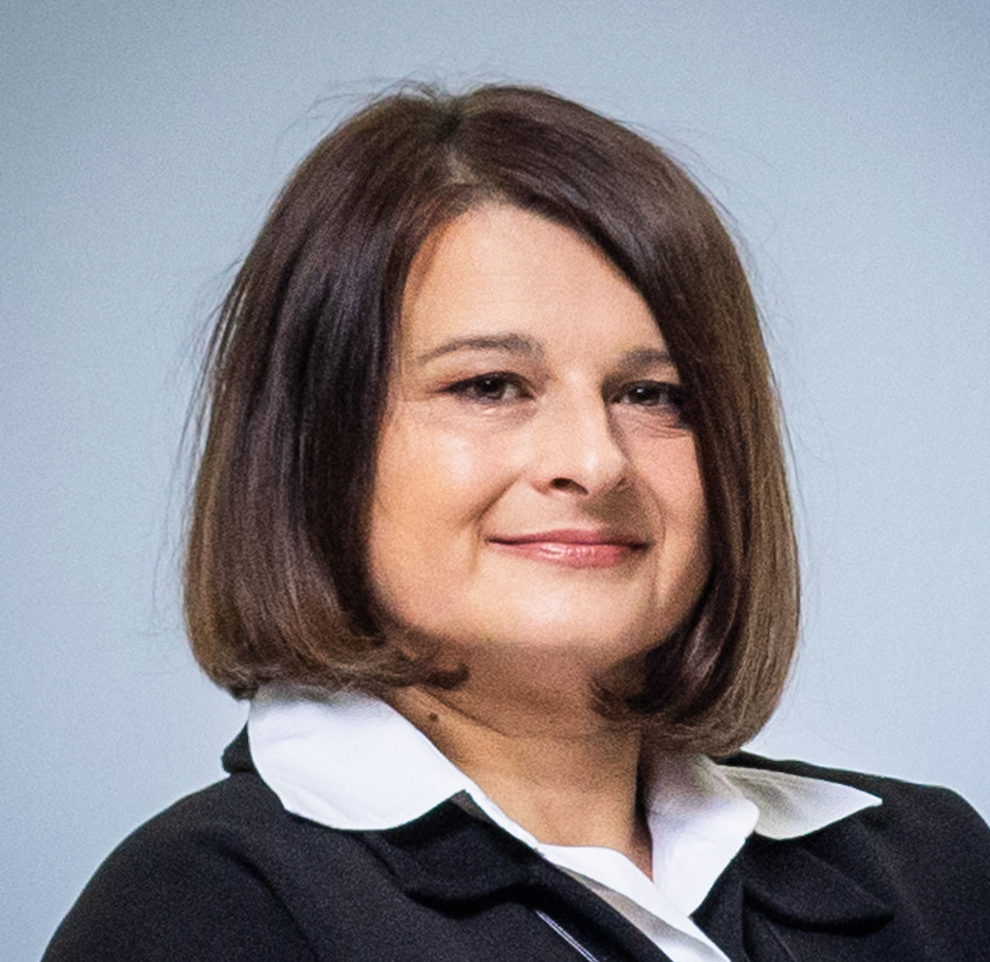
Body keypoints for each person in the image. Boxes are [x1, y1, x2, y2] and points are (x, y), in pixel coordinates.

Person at [44, 84, 990, 962]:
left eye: (653, 394)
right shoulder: (201, 913)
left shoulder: (933, 869)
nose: (595, 461)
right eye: (490, 385)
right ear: (314, 447)